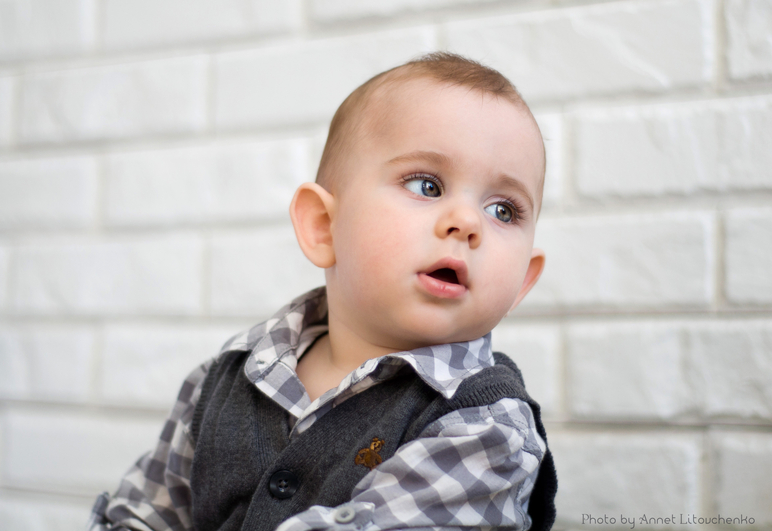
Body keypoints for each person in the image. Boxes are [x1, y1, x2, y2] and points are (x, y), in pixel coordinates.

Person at [87, 52, 557, 531]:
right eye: (427, 186)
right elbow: (142, 515)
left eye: (503, 211)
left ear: (522, 282)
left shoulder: (485, 432)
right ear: (323, 226)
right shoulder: (223, 379)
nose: (468, 222)